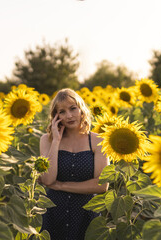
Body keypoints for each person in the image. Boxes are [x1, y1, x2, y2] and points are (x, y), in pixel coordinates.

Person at [39, 88, 109, 240]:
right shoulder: (47, 140)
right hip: (53, 212)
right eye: (62, 112)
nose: (69, 115)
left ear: (81, 109)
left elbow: (101, 185)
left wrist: (61, 186)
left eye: (73, 108)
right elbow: (48, 180)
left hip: (86, 213)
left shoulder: (98, 141)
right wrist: (56, 141)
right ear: (55, 116)